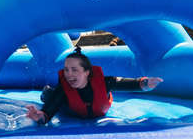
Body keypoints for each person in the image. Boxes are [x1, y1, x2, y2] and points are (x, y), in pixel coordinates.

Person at [26, 47, 163, 123]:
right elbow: (48, 113)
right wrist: (40, 116)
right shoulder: (64, 89)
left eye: (75, 70)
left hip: (93, 112)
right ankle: (47, 92)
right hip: (70, 110)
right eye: (66, 70)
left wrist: (146, 83)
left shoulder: (104, 82)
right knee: (52, 96)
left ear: (87, 72)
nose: (69, 74)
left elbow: (130, 84)